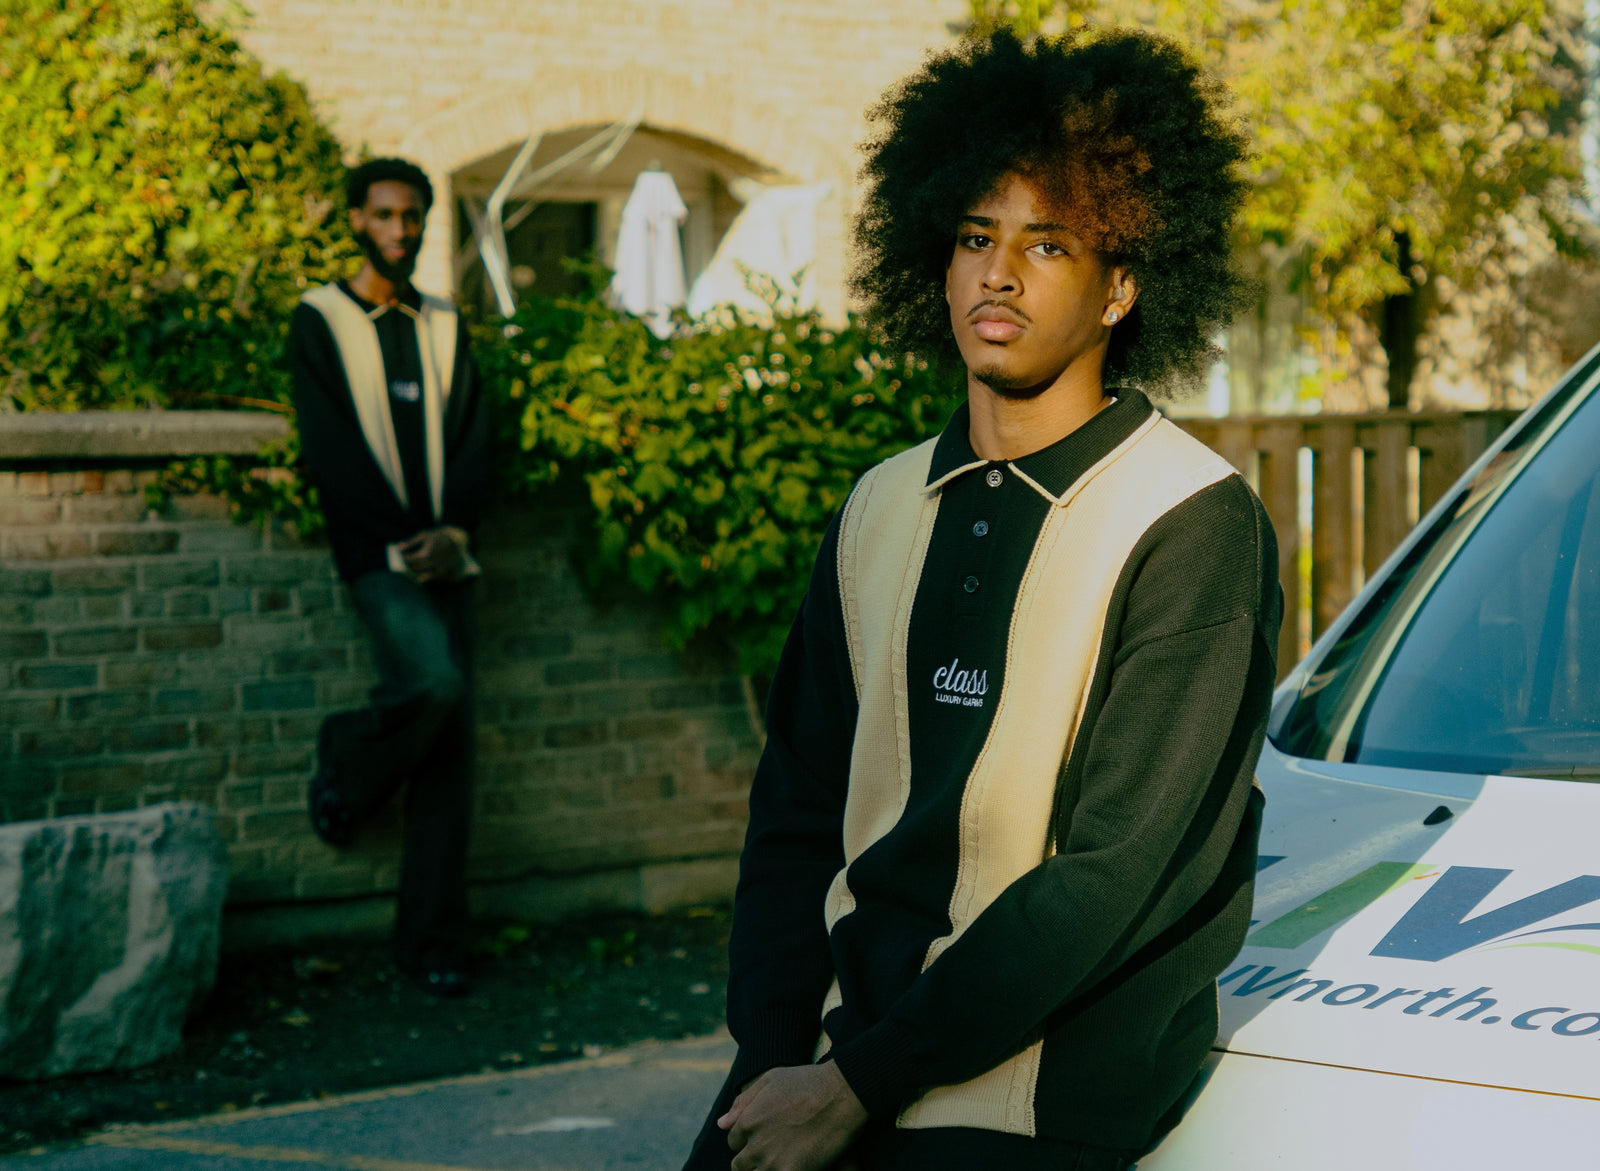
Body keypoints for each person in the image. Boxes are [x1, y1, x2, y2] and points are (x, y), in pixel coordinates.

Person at [685, 28, 1281, 1171]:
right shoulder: (878, 503)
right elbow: (796, 808)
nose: (997, 274)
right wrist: (769, 1054)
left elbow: (1116, 873)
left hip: (1036, 1087)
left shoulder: (1189, 519)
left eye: (1046, 244)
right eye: (974, 237)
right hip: (840, 1051)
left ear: (1121, 287)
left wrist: (858, 1083)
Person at [289, 157, 488, 995]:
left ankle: (432, 943)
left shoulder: (443, 322)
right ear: (355, 220)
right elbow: (328, 447)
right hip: (377, 557)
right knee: (434, 685)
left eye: (411, 216)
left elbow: (476, 433)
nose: (399, 230)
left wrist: (456, 530)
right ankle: (347, 756)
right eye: (383, 215)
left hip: (450, 557)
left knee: (451, 755)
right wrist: (402, 543)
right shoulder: (320, 320)